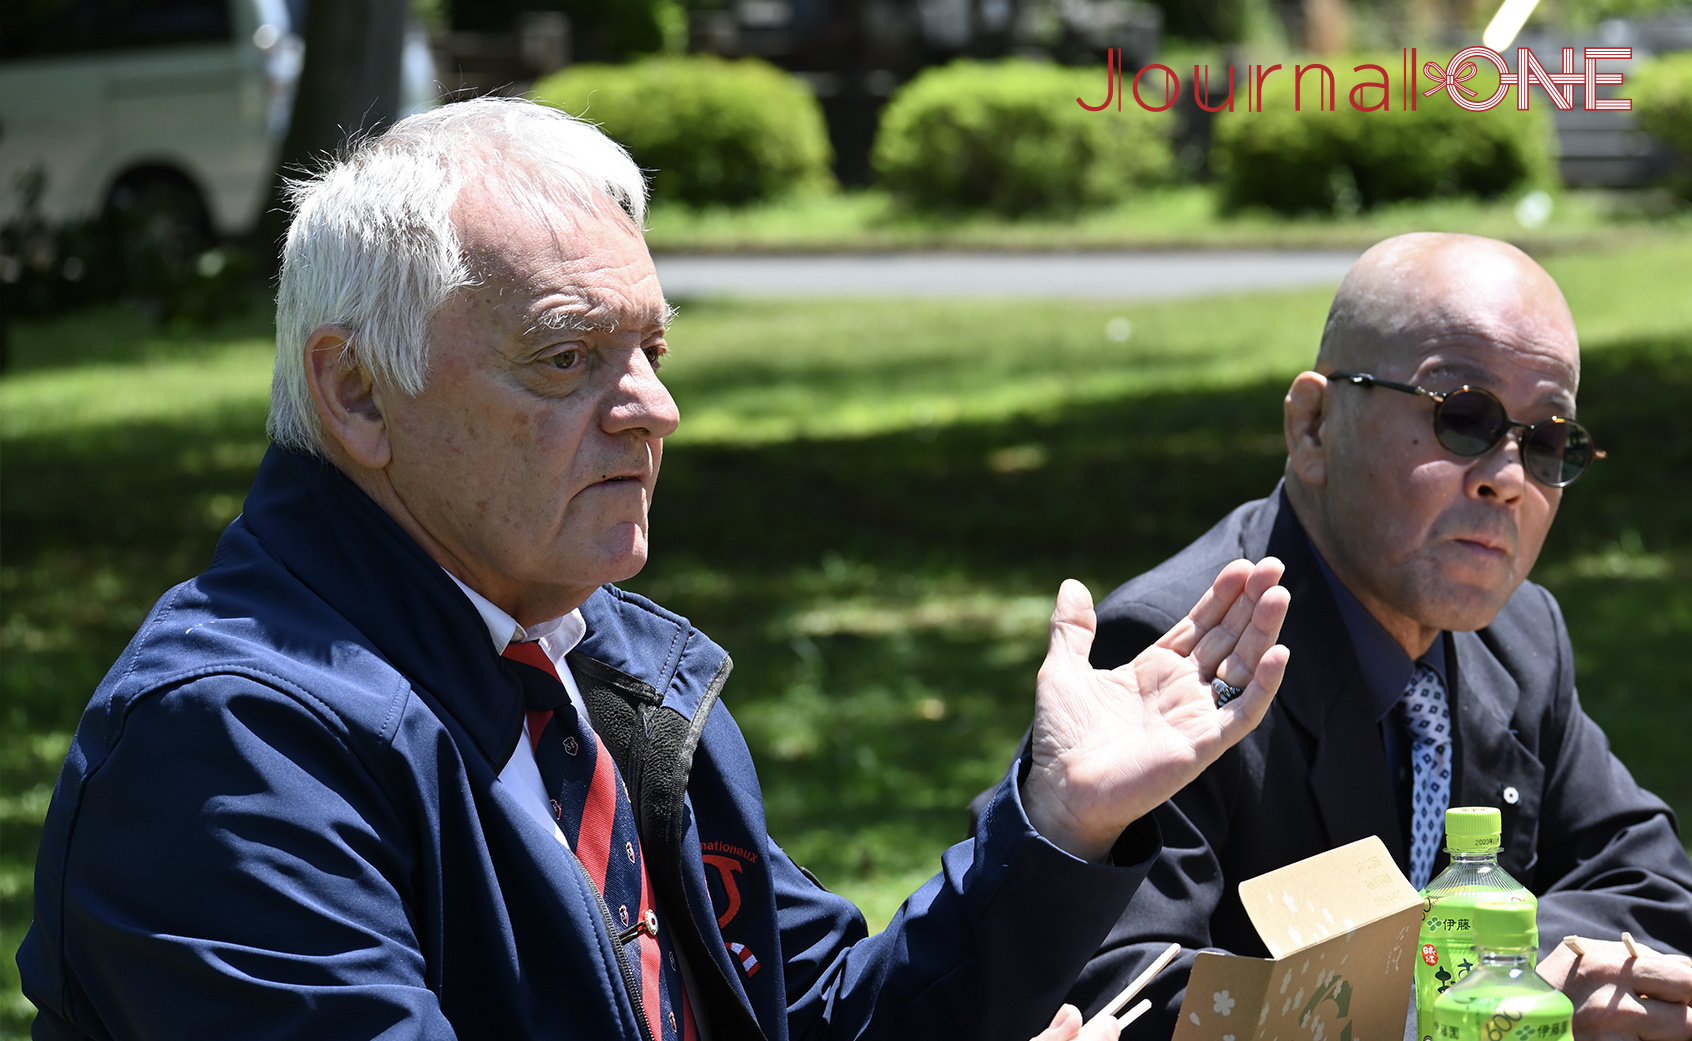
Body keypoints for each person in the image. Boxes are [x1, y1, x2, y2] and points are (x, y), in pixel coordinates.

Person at [15, 97, 1296, 1041]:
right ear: (356, 391)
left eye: (653, 350)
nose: (652, 411)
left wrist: (1060, 823)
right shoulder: (231, 746)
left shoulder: (602, 659)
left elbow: (819, 1017)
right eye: (568, 358)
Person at [1045, 233, 1692, 1041]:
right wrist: (1465, 1001)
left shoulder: (1522, 637)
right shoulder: (1181, 648)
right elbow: (1124, 991)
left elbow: (1651, 882)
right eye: (1463, 417)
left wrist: (1527, 977)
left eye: (1548, 440)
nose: (1510, 477)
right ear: (1314, 426)